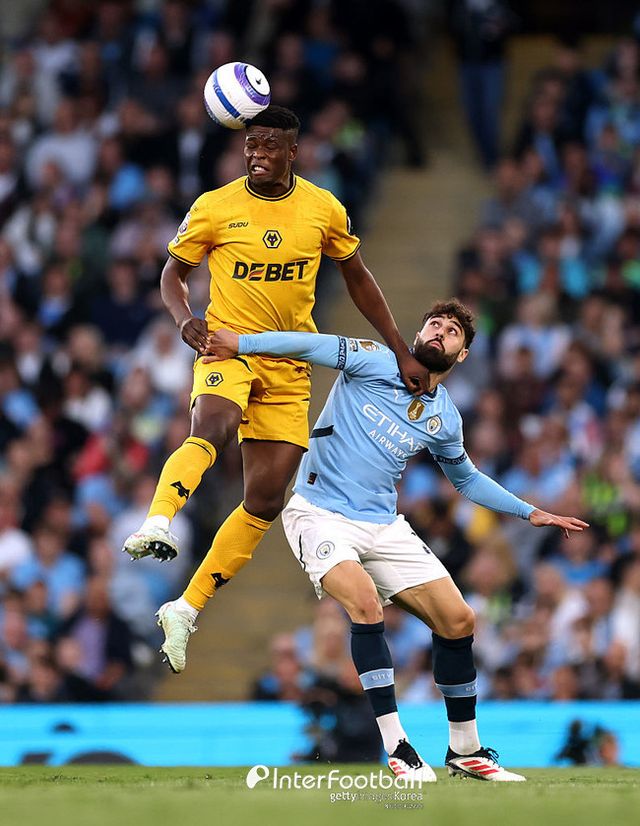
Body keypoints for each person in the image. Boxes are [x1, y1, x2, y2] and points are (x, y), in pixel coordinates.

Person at [198, 298, 587, 781]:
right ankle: (398, 747)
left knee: (459, 620)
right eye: (434, 324)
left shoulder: (445, 417)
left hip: (383, 524)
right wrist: (242, 343)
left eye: (452, 331)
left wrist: (530, 512)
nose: (440, 332)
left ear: (462, 354)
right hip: (318, 513)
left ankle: (465, 751)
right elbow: (308, 345)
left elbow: (466, 479)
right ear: (419, 334)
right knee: (365, 603)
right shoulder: (373, 359)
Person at [122, 106, 429, 670]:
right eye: (251, 144)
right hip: (227, 349)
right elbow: (172, 274)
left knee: (264, 500)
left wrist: (400, 350)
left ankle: (185, 609)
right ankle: (159, 519)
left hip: (289, 367)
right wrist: (184, 319)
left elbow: (358, 278)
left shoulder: (322, 208)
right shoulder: (214, 207)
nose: (257, 154)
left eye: (268, 145)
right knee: (213, 427)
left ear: (293, 150)